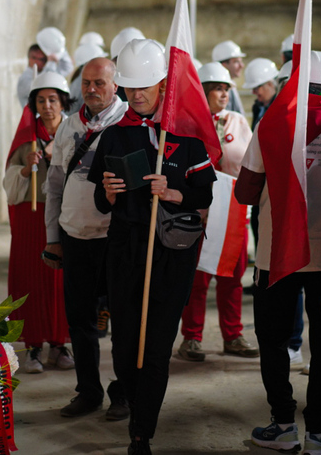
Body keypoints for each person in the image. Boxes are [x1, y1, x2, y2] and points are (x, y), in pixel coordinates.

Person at [87, 39, 216, 455]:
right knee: (125, 345)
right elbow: (97, 202)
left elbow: (205, 197)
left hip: (171, 253)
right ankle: (129, 394)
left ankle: (142, 432)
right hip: (124, 249)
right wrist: (107, 193)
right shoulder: (113, 137)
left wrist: (174, 191)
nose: (137, 94)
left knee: (156, 345)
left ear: (163, 83)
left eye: (145, 85)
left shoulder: (187, 136)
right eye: (129, 86)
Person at [237, 51, 321, 455]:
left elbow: (244, 192)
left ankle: (283, 424)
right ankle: (319, 431)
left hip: (277, 254)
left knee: (273, 340)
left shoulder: (271, 123)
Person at [44, 57, 129, 419]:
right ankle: (88, 391)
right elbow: (54, 186)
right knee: (79, 319)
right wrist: (53, 236)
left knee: (123, 320)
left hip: (117, 239)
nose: (92, 89)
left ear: (115, 85)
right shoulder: (67, 127)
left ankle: (123, 393)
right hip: (75, 236)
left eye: (100, 83)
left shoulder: (130, 124)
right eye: (87, 83)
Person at [176, 62, 258, 362]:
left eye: (226, 89)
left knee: (233, 277)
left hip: (233, 207)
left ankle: (233, 336)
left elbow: (250, 162)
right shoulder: (189, 123)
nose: (223, 94)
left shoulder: (237, 120)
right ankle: (191, 339)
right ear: (204, 91)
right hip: (200, 208)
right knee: (198, 277)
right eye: (217, 89)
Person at [4, 69, 74, 373]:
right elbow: (8, 184)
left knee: (61, 280)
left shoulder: (74, 134)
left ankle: (59, 343)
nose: (48, 106)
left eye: (53, 100)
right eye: (42, 100)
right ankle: (32, 345)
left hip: (65, 215)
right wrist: (24, 169)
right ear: (34, 103)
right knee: (31, 277)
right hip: (32, 217)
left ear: (63, 102)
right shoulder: (25, 139)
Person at [16, 27, 74, 108]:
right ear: (32, 58)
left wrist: (58, 49)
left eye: (46, 59)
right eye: (42, 59)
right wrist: (51, 62)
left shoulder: (45, 71)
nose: (45, 62)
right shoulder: (24, 79)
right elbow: (43, 85)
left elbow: (68, 67)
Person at [242, 57, 279, 129]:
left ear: (270, 84)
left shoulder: (279, 110)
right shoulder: (257, 107)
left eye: (256, 88)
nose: (253, 92)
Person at [212, 40, 247, 114]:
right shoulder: (217, 90)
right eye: (236, 62)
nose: (242, 66)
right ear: (223, 65)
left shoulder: (232, 85)